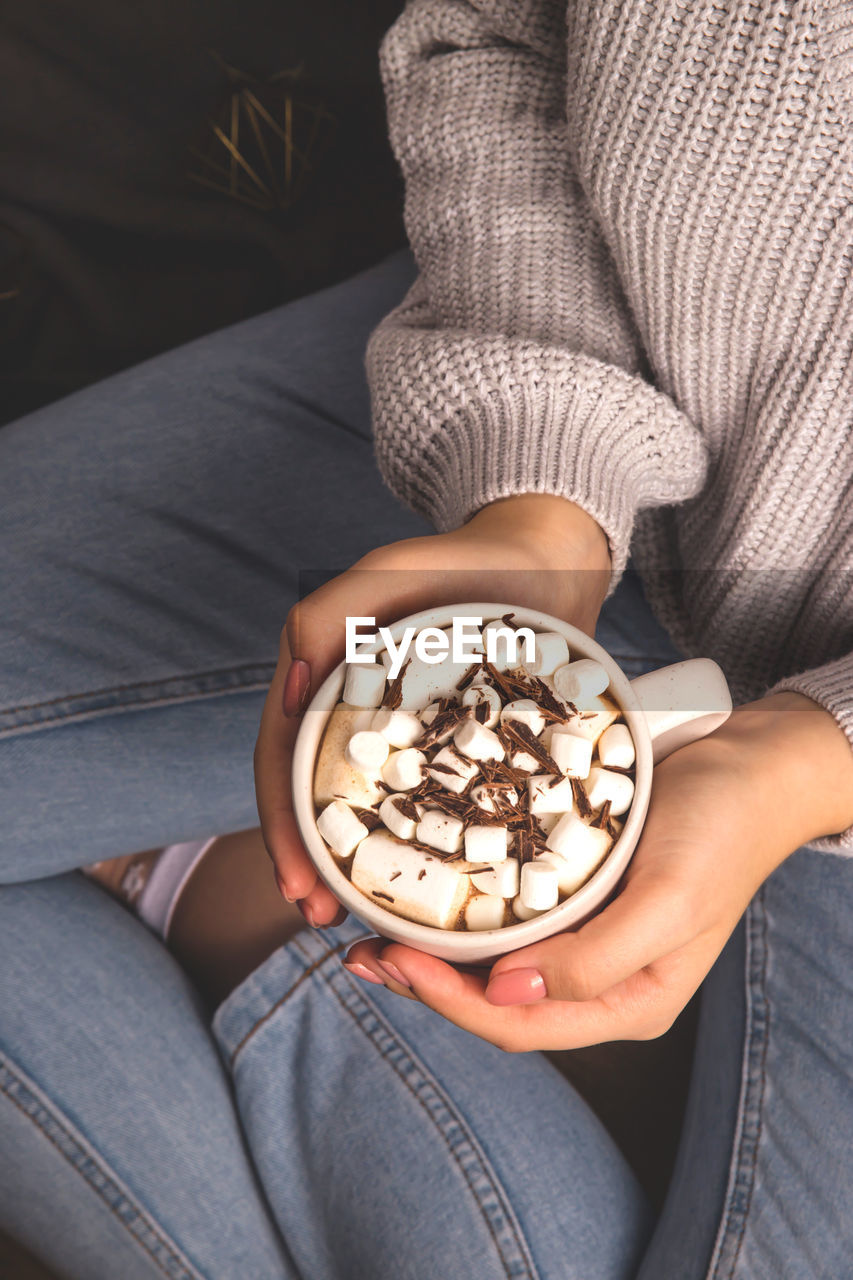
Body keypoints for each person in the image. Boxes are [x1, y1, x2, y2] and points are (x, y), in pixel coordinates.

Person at [2, 2, 853, 1277]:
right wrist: (537, 494)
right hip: (573, 363)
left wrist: (808, 753)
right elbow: (497, 36)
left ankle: (194, 883)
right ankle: (207, 889)